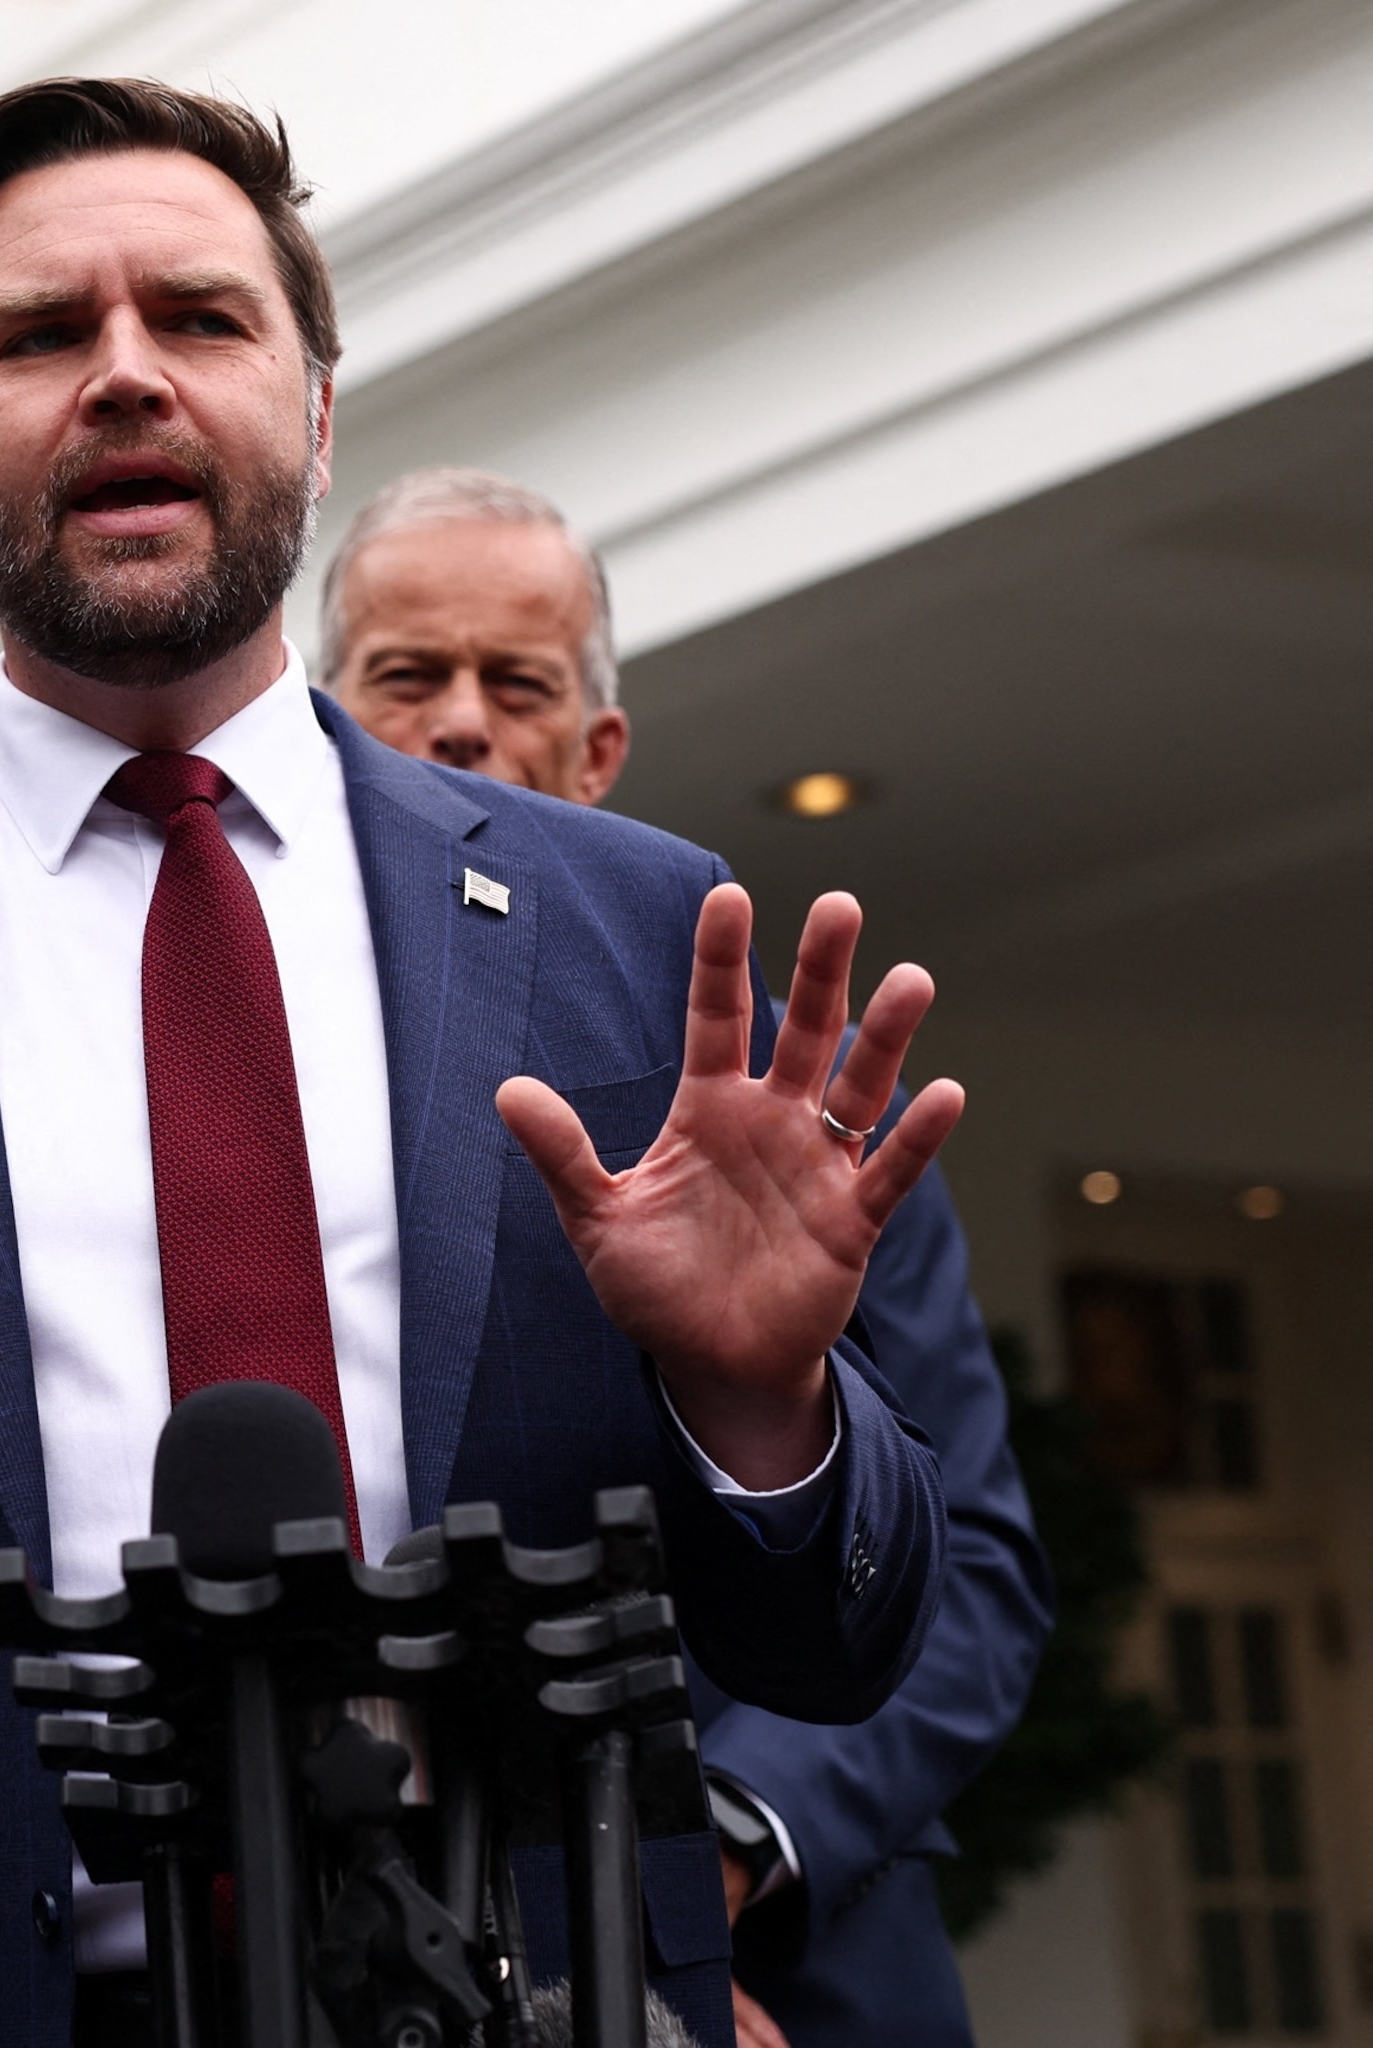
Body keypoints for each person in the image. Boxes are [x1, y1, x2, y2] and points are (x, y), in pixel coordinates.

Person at [0, 80, 959, 2048]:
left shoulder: (644, 941)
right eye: (41, 333)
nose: (124, 377)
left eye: (204, 320)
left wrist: (762, 1411)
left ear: (317, 415)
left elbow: (847, 1641)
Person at [323, 469, 1053, 2048]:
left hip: (790, 1981)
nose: (458, 723)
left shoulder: (796, 1106)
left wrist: (709, 1864)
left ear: (597, 754)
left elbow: (971, 1577)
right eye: (403, 676)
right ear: (320, 725)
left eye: (514, 684)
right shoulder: (248, 1103)